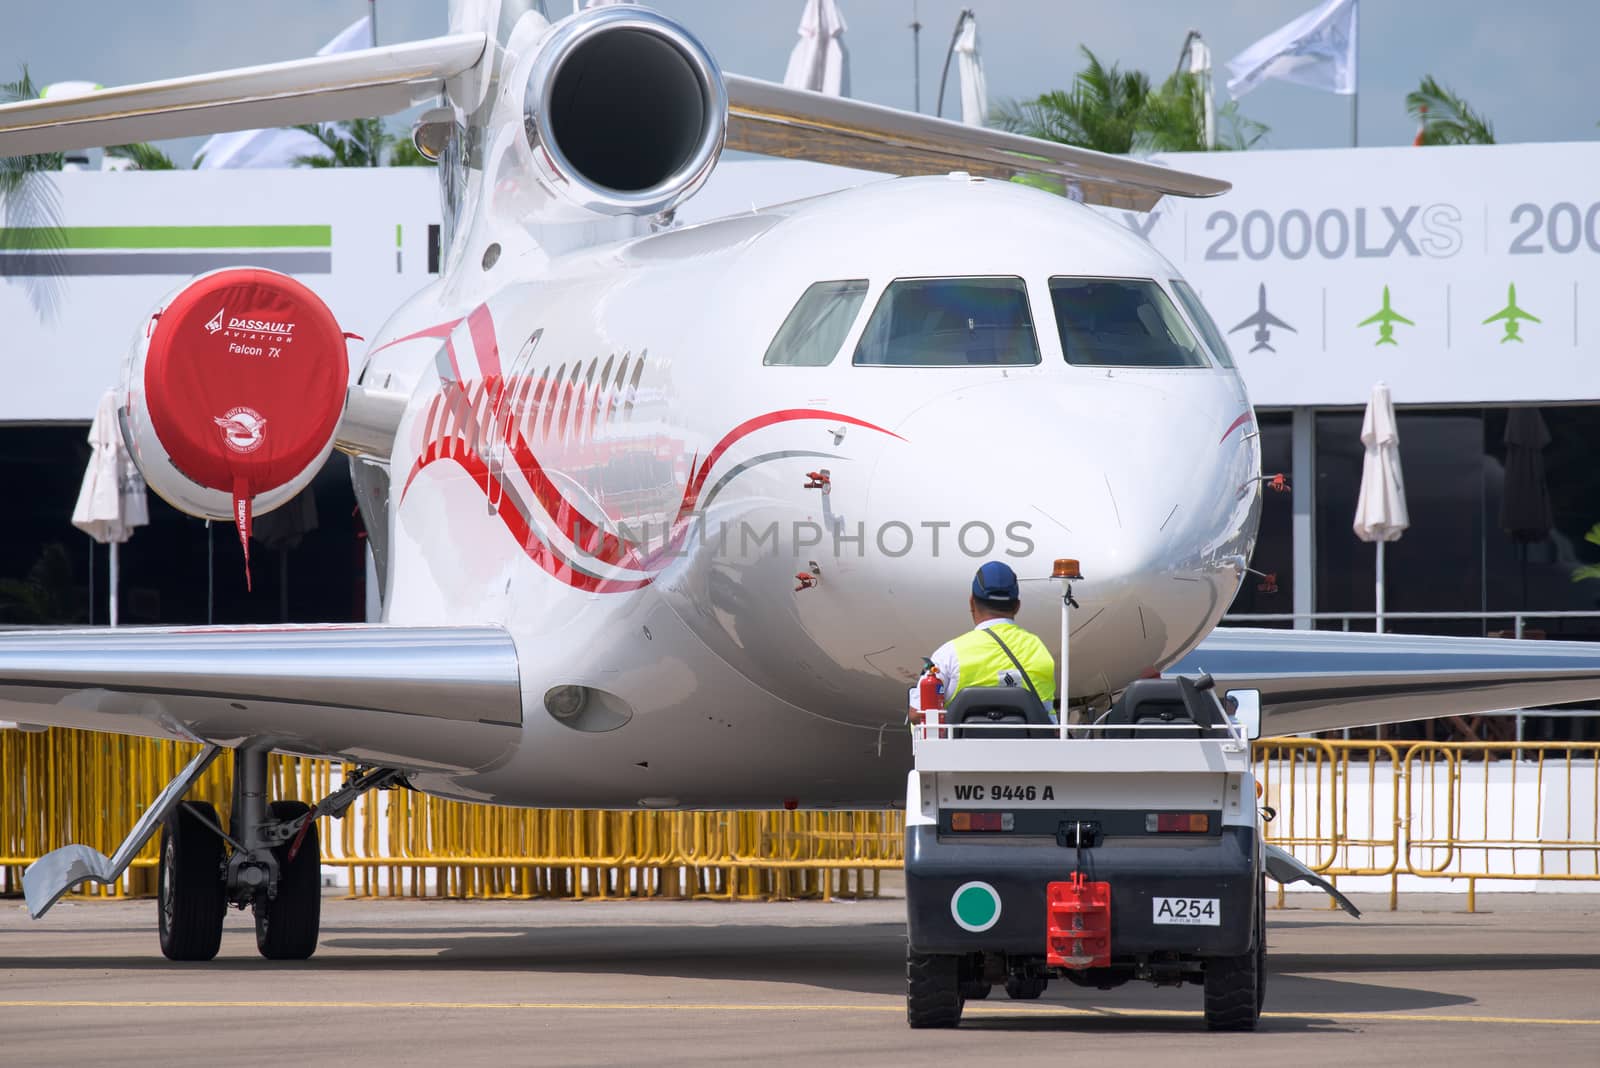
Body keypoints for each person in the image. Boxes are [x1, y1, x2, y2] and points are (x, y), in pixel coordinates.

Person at [916, 560, 1057, 722]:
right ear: (1017, 606)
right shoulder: (1040, 651)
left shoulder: (948, 655)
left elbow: (917, 713)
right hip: (1030, 747)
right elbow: (1047, 714)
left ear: (972, 603)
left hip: (961, 747)